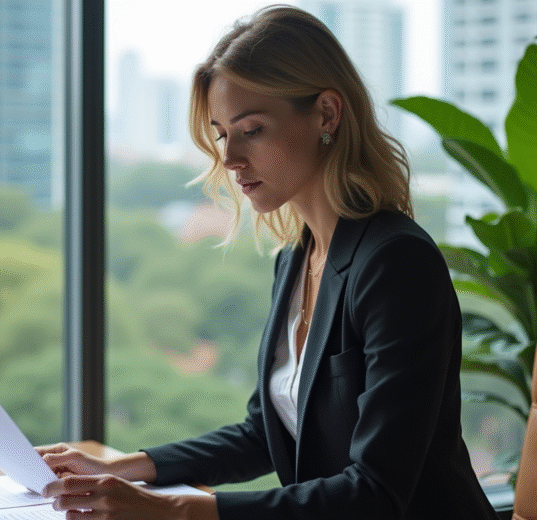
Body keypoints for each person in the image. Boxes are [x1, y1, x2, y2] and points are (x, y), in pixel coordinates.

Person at [37, 5, 500, 519]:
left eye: (251, 130)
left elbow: (376, 491)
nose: (230, 159)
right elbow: (267, 432)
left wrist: (174, 512)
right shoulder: (296, 259)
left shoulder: (396, 262)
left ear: (327, 113)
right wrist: (121, 469)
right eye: (220, 134)